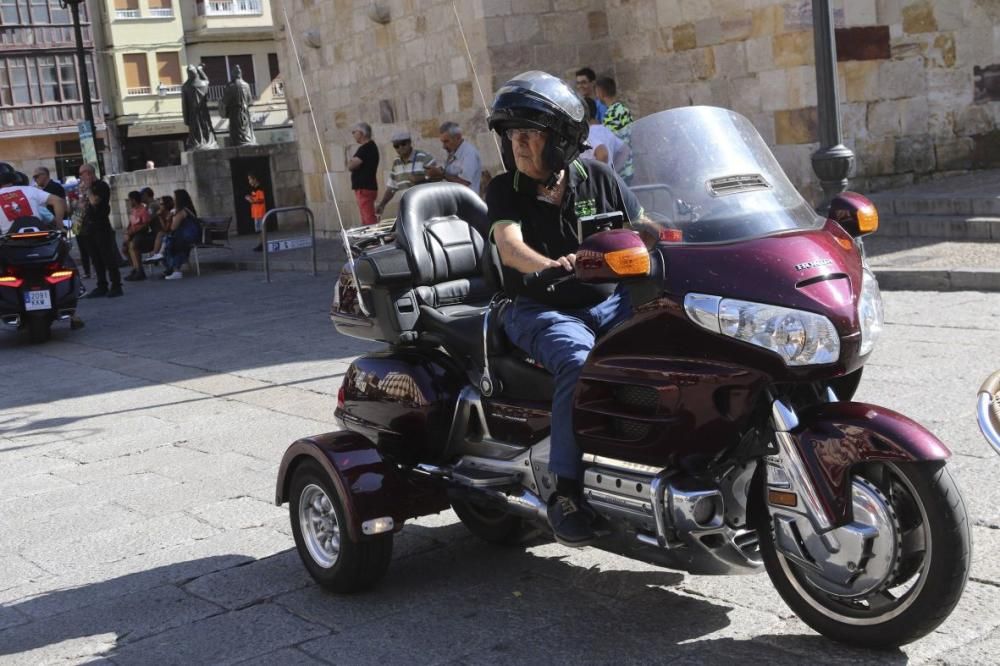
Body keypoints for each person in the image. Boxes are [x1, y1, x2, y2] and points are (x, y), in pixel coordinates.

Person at [486, 71, 647, 547]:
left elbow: (645, 227)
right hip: (539, 307)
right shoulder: (505, 190)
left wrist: (693, 237)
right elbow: (510, 247)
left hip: (609, 301)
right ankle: (566, 492)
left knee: (671, 339)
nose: (519, 144)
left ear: (561, 140)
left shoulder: (598, 176)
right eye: (513, 135)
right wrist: (551, 265)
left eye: (530, 134)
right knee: (579, 363)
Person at [0, 162, 84, 329]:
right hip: (40, 244)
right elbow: (59, 201)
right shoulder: (30, 190)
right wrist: (59, 225)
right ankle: (74, 315)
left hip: (10, 248)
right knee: (63, 263)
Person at [374, 131, 437, 216]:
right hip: (409, 208)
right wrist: (382, 205)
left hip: (427, 205)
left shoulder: (424, 157)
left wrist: (421, 178)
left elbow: (437, 176)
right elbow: (392, 188)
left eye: (403, 144)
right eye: (396, 146)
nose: (400, 148)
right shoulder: (396, 162)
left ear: (410, 142)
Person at [82, 180, 123, 298]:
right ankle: (102, 285)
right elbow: (82, 206)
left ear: (88, 174)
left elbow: (95, 201)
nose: (81, 178)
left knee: (107, 257)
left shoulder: (100, 186)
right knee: (96, 258)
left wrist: (88, 189)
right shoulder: (87, 189)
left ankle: (116, 285)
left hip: (101, 227)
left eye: (82, 174)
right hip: (88, 227)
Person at [596, 76, 635, 184]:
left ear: (601, 92)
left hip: (620, 169)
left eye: (597, 92)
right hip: (629, 166)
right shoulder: (623, 108)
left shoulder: (611, 114)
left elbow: (611, 143)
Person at [428, 121, 482, 195]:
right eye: (442, 142)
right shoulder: (453, 152)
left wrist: (443, 174)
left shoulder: (469, 153)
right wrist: (439, 172)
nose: (443, 146)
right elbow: (450, 176)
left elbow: (464, 183)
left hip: (467, 203)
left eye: (446, 141)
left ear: (458, 137)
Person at [161, 189, 200, 281]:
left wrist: (171, 217)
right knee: (170, 240)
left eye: (175, 198)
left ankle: (175, 269)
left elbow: (173, 227)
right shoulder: (188, 209)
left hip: (188, 237)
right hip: (190, 236)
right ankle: (170, 266)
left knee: (171, 242)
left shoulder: (182, 211)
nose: (173, 200)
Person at [579, 97, 628, 172]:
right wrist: (613, 173)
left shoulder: (588, 133)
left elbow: (602, 153)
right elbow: (625, 149)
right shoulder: (605, 130)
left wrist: (597, 178)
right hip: (608, 180)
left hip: (596, 181)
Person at [348, 122, 379, 226]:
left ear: (361, 133)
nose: (353, 134)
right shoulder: (369, 147)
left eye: (354, 132)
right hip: (366, 187)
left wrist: (351, 162)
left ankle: (375, 240)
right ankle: (369, 240)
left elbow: (352, 165)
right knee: (366, 219)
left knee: (369, 219)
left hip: (364, 188)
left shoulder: (366, 148)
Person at [122, 190, 156, 282]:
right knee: (125, 249)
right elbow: (130, 223)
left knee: (133, 246)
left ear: (134, 200)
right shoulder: (133, 210)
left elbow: (145, 224)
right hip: (132, 233)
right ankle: (135, 268)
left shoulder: (143, 210)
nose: (129, 202)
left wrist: (132, 232)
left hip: (140, 233)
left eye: (130, 200)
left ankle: (139, 270)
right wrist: (127, 232)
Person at [144, 194, 174, 263]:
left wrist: (160, 217)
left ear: (166, 204)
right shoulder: (163, 213)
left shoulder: (171, 213)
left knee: (160, 234)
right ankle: (156, 254)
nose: (159, 206)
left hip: (175, 234)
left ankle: (155, 253)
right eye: (159, 204)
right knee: (160, 234)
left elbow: (166, 229)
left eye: (161, 204)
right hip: (167, 233)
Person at [246, 173, 267, 252]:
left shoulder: (260, 188)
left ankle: (262, 245)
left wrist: (251, 200)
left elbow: (261, 199)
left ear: (254, 179)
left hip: (260, 212)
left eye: (250, 179)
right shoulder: (253, 189)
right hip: (255, 212)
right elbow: (255, 198)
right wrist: (250, 198)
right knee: (258, 230)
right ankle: (260, 244)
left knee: (261, 229)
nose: (249, 181)